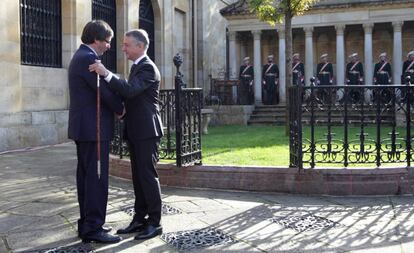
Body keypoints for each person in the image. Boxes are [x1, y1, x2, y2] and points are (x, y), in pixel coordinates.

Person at [89, 29, 164, 241]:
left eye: (127, 45)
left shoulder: (148, 67)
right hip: (136, 129)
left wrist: (106, 73)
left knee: (147, 177)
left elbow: (130, 91)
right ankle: (140, 219)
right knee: (138, 177)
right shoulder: (138, 67)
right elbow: (131, 95)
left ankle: (155, 222)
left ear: (140, 46)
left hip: (147, 131)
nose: (123, 49)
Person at [68, 20, 123, 243]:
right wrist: (121, 108)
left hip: (86, 129)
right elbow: (106, 92)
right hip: (94, 129)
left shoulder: (80, 56)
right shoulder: (89, 58)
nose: (109, 46)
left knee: (87, 177)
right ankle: (93, 228)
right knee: (96, 179)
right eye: (107, 41)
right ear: (96, 40)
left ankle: (87, 223)